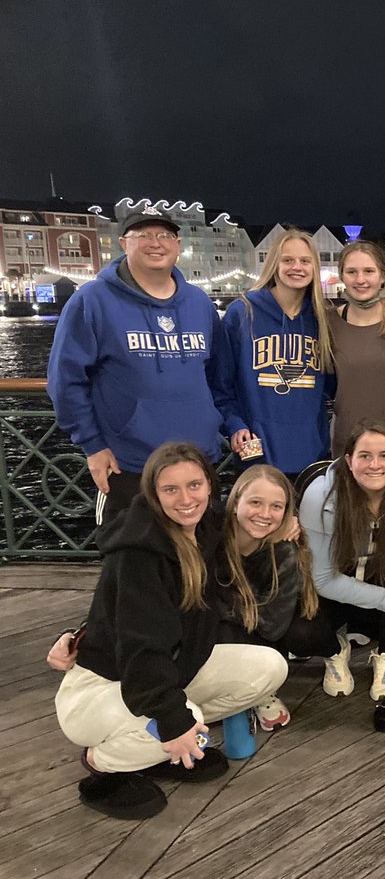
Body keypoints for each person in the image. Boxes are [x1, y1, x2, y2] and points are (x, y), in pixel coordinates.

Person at [54, 442, 289, 820]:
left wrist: (285, 524)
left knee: (269, 667)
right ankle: (102, 762)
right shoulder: (138, 552)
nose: (185, 499)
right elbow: (139, 647)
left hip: (168, 668)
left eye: (194, 485)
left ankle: (157, 746)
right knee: (186, 722)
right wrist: (174, 719)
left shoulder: (206, 528)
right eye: (170, 489)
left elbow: (247, 527)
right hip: (104, 686)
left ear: (210, 487)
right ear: (153, 493)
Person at [47, 202, 241, 525]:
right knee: (131, 562)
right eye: (143, 234)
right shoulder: (91, 301)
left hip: (198, 461)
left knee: (202, 558)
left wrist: (224, 424)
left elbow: (218, 379)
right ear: (124, 243)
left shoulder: (199, 304)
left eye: (165, 235)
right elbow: (65, 381)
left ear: (178, 246)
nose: (156, 242)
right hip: (130, 463)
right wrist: (92, 445)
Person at [299, 420, 385, 700]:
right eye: (364, 456)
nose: (375, 465)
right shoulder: (321, 496)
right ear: (348, 460)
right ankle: (334, 651)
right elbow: (322, 579)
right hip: (336, 587)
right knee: (301, 633)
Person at [215, 463, 341, 729]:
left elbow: (272, 627)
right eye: (256, 502)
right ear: (235, 502)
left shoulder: (284, 550)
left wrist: (230, 607)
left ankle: (262, 689)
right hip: (228, 623)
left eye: (276, 506)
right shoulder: (210, 537)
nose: (265, 514)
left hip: (265, 623)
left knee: (302, 633)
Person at [222, 229, 336, 477]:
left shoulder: (323, 319)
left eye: (305, 261)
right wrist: (234, 425)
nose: (297, 267)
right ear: (274, 263)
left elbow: (333, 385)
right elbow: (222, 384)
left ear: (315, 267)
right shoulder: (243, 312)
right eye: (288, 260)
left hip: (311, 452)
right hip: (257, 450)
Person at [329, 241, 385, 459]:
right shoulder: (329, 322)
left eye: (369, 271)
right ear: (342, 276)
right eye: (352, 272)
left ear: (382, 276)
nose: (360, 279)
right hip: (349, 445)